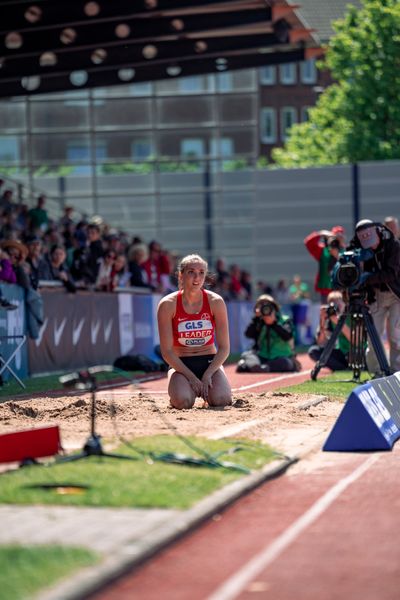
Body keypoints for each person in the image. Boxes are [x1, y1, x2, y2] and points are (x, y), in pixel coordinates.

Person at [157, 253, 232, 409]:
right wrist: (192, 378)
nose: (197, 277)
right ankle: (181, 392)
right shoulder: (167, 304)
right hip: (181, 365)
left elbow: (224, 348)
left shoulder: (215, 302)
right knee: (183, 402)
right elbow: (167, 352)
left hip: (210, 362)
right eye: (191, 272)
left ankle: (213, 387)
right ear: (181, 275)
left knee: (221, 400)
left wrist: (208, 374)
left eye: (201, 273)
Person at [348, 219, 400, 376]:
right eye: (367, 243)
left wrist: (368, 277)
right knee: (373, 337)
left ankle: (396, 372)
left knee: (395, 336)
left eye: (373, 241)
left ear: (378, 232)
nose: (371, 246)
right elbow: (348, 254)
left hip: (395, 294)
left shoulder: (394, 245)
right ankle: (376, 372)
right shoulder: (359, 244)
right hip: (375, 296)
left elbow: (391, 274)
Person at [237, 294, 301, 373]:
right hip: (263, 357)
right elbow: (248, 334)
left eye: (267, 305)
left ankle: (260, 368)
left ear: (274, 307)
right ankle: (260, 367)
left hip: (282, 356)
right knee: (246, 355)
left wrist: (273, 323)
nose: (265, 308)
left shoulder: (285, 320)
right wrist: (256, 319)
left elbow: (288, 336)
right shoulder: (259, 322)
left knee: (284, 362)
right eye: (261, 305)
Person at [308, 290, 351, 371]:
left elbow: (354, 340)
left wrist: (338, 321)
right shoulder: (330, 318)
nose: (336, 306)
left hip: (354, 352)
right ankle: (342, 368)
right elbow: (321, 342)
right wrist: (322, 321)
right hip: (342, 352)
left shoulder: (350, 316)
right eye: (332, 303)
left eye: (338, 302)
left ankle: (345, 368)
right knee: (314, 351)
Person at [304, 228, 342, 302]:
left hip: (342, 290)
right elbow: (308, 243)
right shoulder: (323, 251)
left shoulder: (346, 251)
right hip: (326, 290)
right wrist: (321, 234)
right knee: (326, 310)